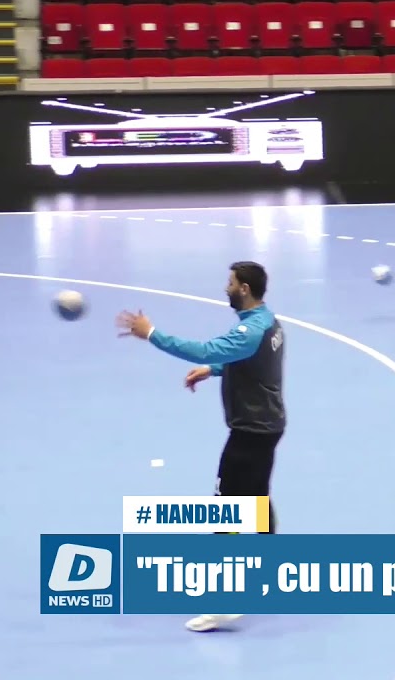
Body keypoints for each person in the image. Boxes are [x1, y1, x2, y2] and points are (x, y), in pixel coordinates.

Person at [115, 261, 285, 633]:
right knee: (257, 498)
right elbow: (252, 361)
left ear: (244, 289)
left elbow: (205, 349)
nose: (226, 287)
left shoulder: (249, 329)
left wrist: (152, 333)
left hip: (249, 431)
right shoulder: (269, 322)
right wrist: (216, 370)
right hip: (268, 426)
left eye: (231, 282)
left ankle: (225, 602)